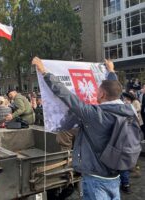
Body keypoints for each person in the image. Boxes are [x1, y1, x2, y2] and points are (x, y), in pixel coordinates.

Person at [32, 57, 132, 200]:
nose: (94, 93)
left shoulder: (94, 115)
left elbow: (65, 95)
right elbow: (115, 90)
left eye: (97, 91)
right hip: (114, 176)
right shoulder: (125, 110)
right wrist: (110, 71)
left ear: (102, 94)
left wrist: (44, 72)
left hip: (96, 179)